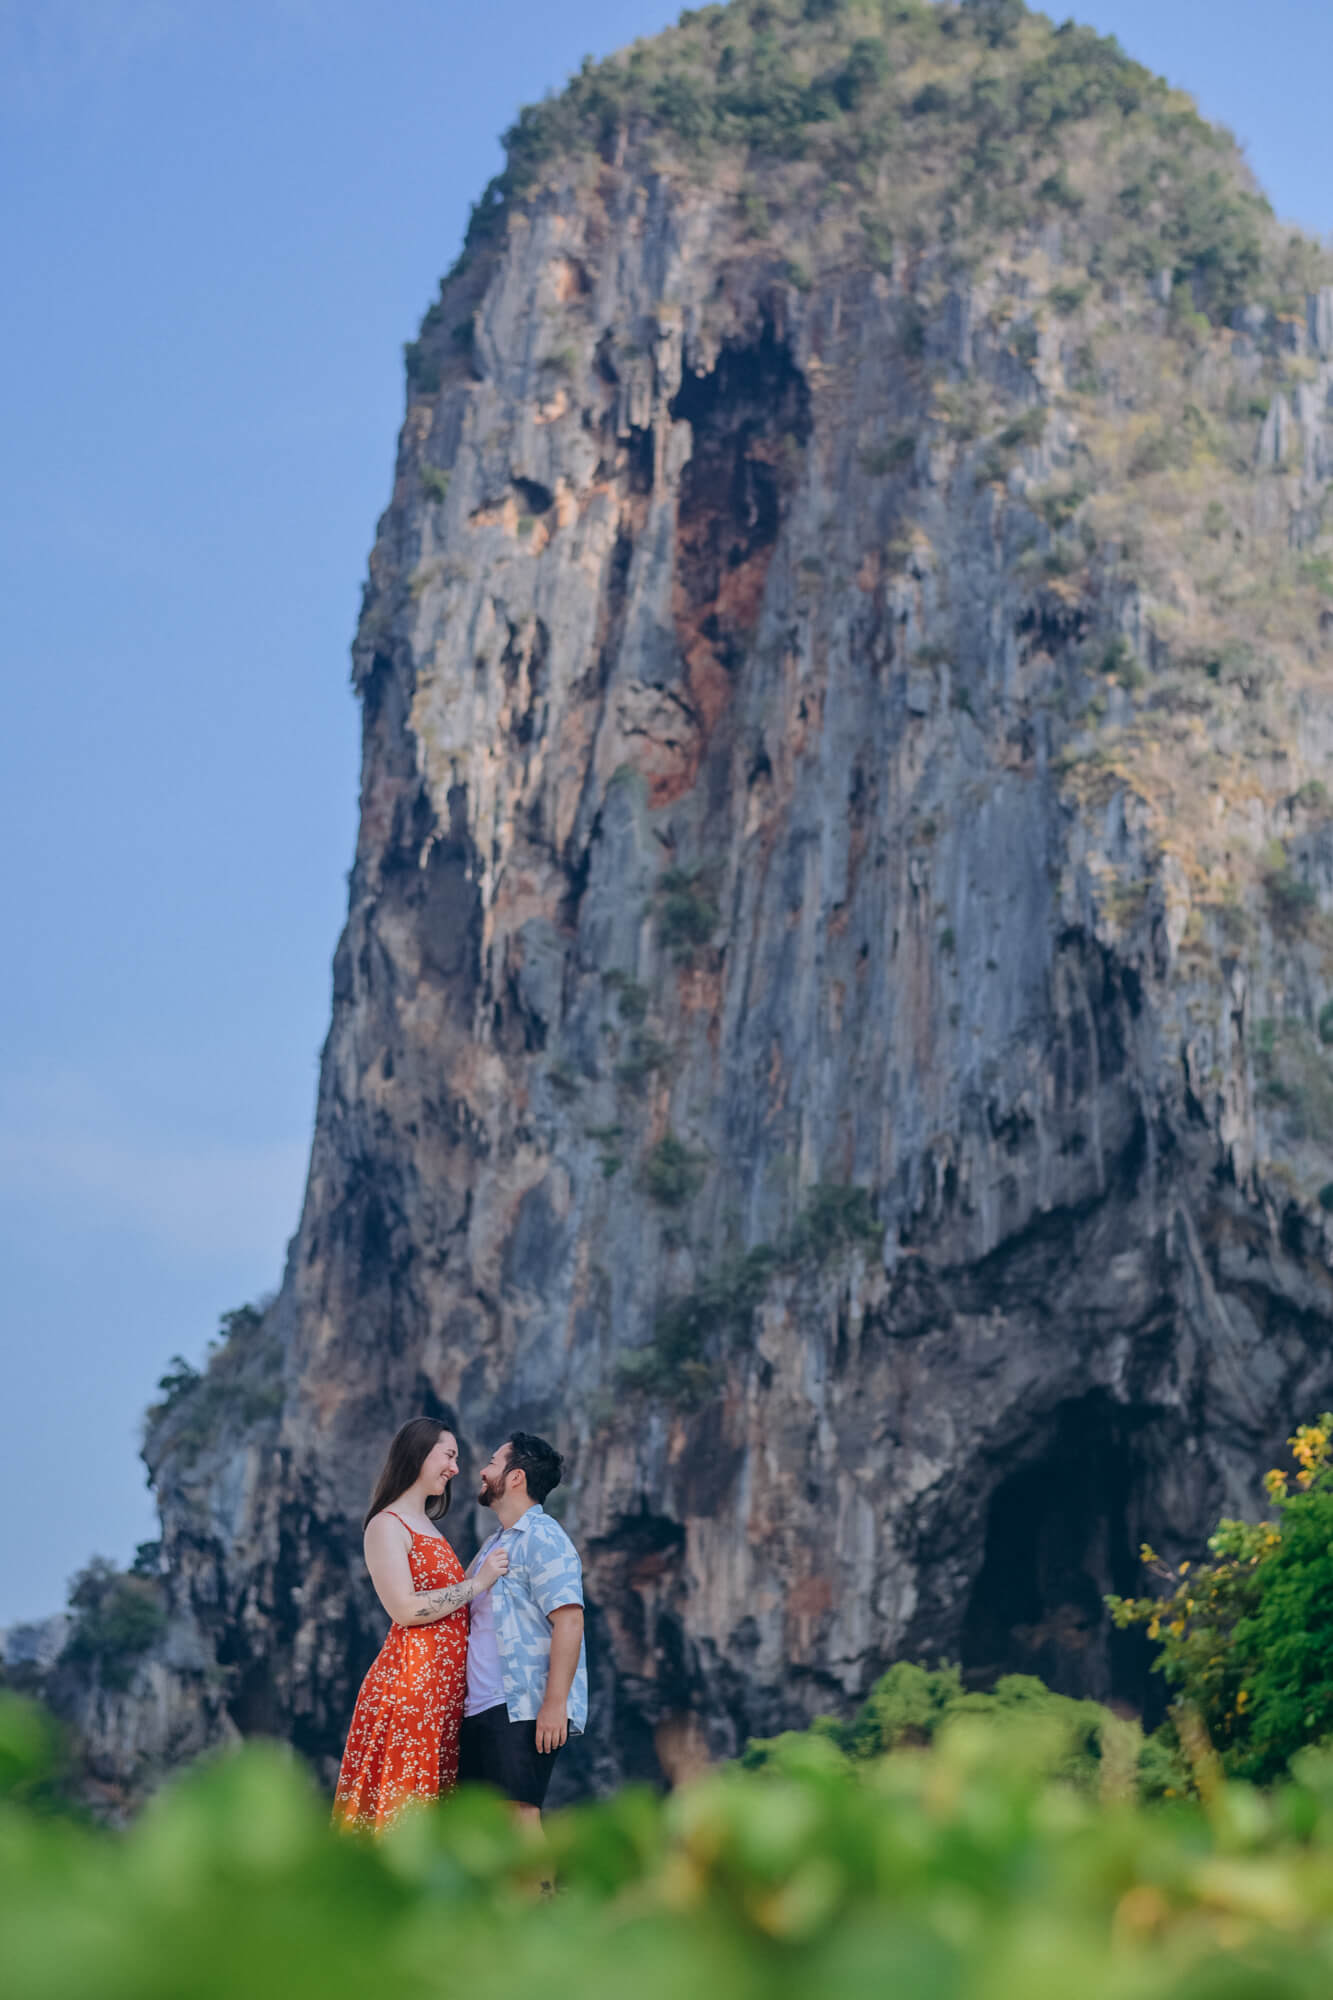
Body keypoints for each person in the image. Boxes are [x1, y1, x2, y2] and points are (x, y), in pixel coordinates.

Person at [332, 1416, 509, 1833]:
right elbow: (405, 1609)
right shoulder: (385, 1525)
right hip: (411, 1687)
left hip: (442, 1696)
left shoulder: (427, 1528)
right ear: (418, 1453)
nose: (455, 1467)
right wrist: (477, 1584)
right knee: (403, 1815)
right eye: (448, 1455)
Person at [458, 1431, 588, 1831]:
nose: (483, 1470)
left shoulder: (543, 1537)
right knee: (485, 1825)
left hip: (520, 1703)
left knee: (520, 1815)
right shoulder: (495, 1544)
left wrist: (554, 1704)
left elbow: (569, 1618)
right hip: (478, 1705)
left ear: (515, 1477)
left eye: (494, 1462)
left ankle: (541, 1896)